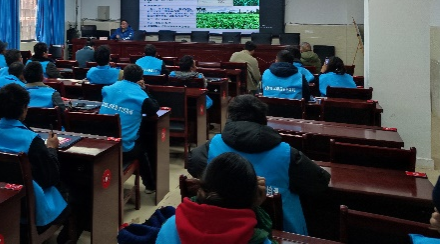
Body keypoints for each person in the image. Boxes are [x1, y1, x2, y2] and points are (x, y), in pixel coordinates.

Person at [187, 95, 330, 235]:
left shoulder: (212, 146)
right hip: (282, 233)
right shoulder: (286, 153)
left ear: (230, 117)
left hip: (218, 228)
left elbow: (192, 164)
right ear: (264, 120)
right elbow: (320, 181)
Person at [0, 84, 71, 235]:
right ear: (24, 108)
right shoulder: (32, 141)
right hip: (30, 206)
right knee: (72, 188)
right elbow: (50, 178)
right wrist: (51, 148)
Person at [156, 152, 274, 244]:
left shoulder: (171, 226)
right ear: (252, 197)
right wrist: (256, 208)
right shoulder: (258, 239)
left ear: (202, 185)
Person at [99, 64, 159, 192]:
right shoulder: (141, 96)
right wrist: (144, 89)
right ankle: (150, 186)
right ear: (140, 79)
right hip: (124, 148)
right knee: (145, 147)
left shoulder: (107, 89)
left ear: (123, 76)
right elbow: (154, 108)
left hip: (104, 143)